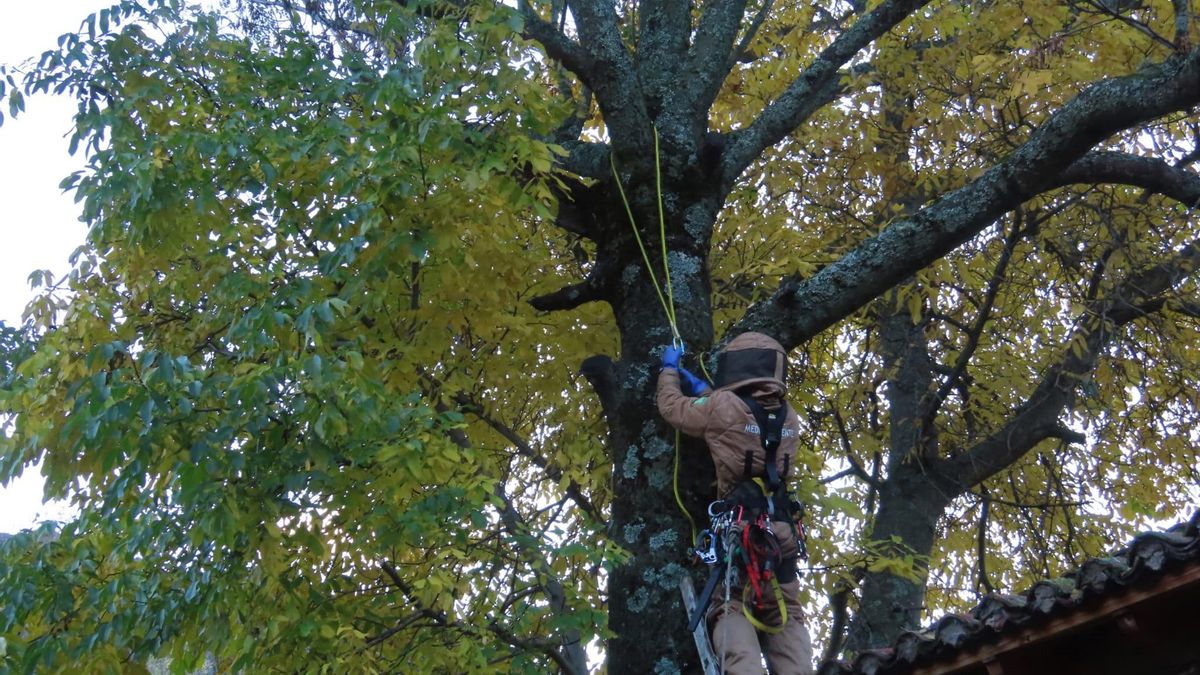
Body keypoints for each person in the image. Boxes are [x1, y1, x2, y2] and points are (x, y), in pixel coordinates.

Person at [657, 332, 814, 675]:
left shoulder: (720, 407)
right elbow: (742, 420)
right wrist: (705, 392)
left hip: (741, 531)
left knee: (730, 606)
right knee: (787, 612)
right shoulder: (789, 416)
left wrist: (668, 370)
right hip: (781, 530)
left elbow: (673, 407)